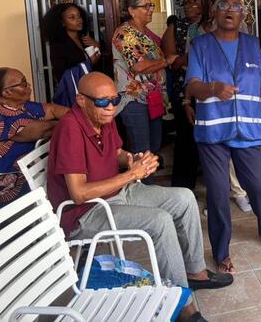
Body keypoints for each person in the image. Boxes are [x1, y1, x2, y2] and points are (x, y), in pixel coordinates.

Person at [47, 72, 232, 322]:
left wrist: (135, 160)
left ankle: (195, 273)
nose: (111, 107)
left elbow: (116, 152)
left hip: (117, 192)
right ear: (81, 100)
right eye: (102, 101)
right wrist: (131, 175)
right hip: (87, 212)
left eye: (115, 100)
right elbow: (79, 194)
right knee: (160, 221)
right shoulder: (70, 128)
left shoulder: (103, 118)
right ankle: (183, 307)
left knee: (185, 198)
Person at [186, 0, 261, 274]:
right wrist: (212, 88)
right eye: (223, 6)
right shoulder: (201, 45)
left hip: (249, 129)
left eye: (236, 6)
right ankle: (221, 252)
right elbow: (192, 86)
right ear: (214, 13)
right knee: (217, 192)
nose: (229, 10)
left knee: (259, 186)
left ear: (243, 15)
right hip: (214, 130)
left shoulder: (252, 45)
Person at [184, 0, 252, 213]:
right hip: (206, 99)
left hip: (232, 98)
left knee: (233, 146)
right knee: (213, 154)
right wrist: (187, 100)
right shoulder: (195, 30)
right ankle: (216, 198)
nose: (194, 3)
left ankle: (239, 191)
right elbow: (190, 70)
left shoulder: (238, 28)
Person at [0, 67, 68, 210]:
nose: (29, 86)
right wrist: (78, 121)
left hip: (21, 170)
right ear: (7, 92)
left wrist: (76, 116)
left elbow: (52, 109)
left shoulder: (20, 105)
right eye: (24, 83)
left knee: (67, 175)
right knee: (67, 181)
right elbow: (45, 130)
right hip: (1, 183)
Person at [112, 0, 178, 166]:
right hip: (135, 100)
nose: (150, 9)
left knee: (154, 147)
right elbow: (138, 66)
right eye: (145, 6)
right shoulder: (125, 33)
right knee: (142, 152)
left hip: (152, 98)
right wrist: (166, 61)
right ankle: (141, 182)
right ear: (131, 10)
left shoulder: (144, 32)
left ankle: (148, 181)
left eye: (151, 5)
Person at [163, 0, 202, 190]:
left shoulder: (210, 24)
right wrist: (193, 56)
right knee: (185, 140)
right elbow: (172, 61)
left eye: (193, 0)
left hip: (207, 91)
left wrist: (188, 58)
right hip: (183, 89)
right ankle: (183, 188)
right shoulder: (176, 26)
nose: (189, 5)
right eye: (185, 2)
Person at [42, 3, 101, 85]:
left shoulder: (85, 39)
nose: (78, 20)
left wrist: (97, 46)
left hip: (93, 84)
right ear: (62, 22)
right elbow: (62, 76)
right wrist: (90, 62)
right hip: (76, 89)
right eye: (72, 17)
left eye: (79, 16)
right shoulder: (58, 46)